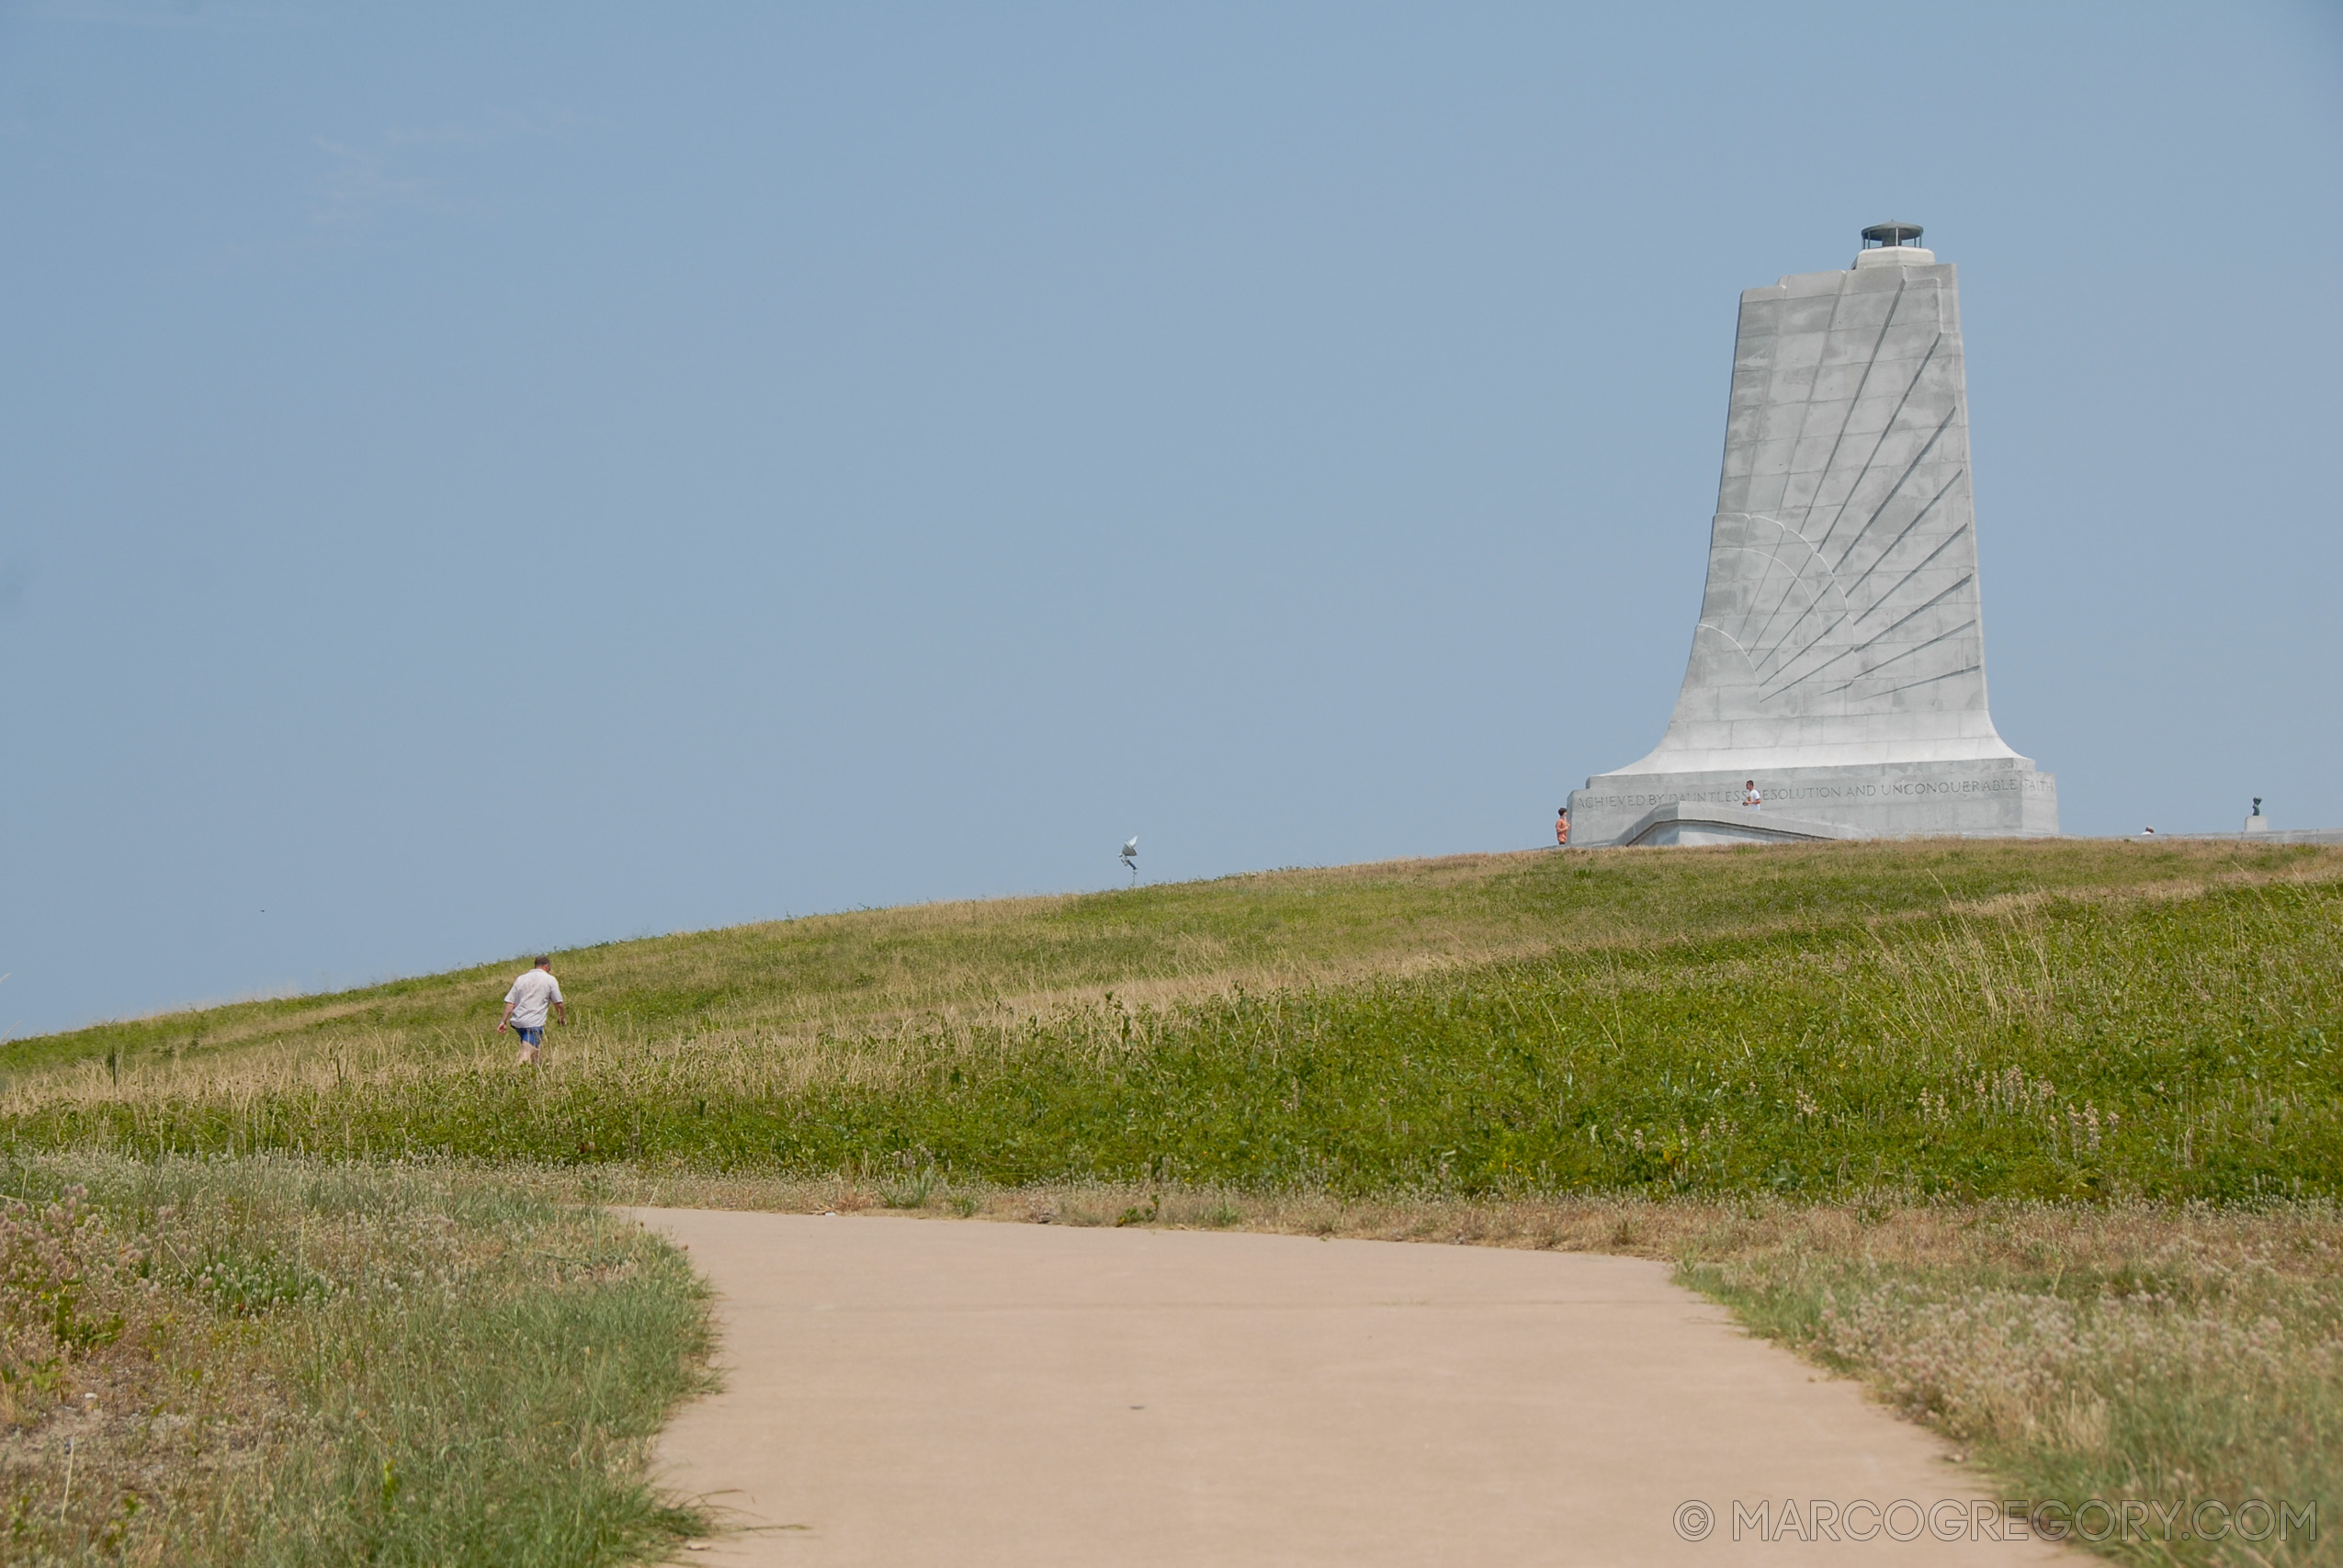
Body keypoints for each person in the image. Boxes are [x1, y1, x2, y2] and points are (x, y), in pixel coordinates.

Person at [500, 955, 567, 1065]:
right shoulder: (549, 979)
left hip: (518, 1022)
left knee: (534, 1052)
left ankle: (539, 1075)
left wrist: (503, 1021)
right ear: (547, 966)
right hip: (534, 1023)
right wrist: (562, 1017)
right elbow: (559, 1003)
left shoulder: (521, 979)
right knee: (526, 1054)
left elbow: (510, 1003)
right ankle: (514, 1075)